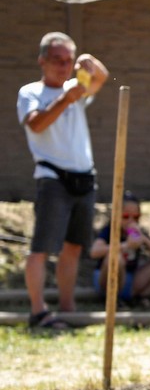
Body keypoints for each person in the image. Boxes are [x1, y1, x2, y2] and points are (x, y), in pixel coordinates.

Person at [18, 32, 109, 331]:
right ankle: (38, 311)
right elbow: (36, 123)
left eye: (69, 60)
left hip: (84, 177)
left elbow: (101, 78)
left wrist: (91, 63)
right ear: (42, 61)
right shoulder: (31, 91)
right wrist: (65, 99)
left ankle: (67, 309)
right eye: (57, 60)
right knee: (42, 247)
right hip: (53, 177)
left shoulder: (76, 87)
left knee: (73, 247)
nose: (64, 66)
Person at [89, 194, 150, 307]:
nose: (131, 221)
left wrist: (144, 240)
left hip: (131, 280)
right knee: (117, 259)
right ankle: (114, 300)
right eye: (126, 216)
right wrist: (125, 245)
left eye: (136, 217)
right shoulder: (109, 231)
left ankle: (142, 297)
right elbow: (94, 252)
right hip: (106, 281)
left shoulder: (139, 233)